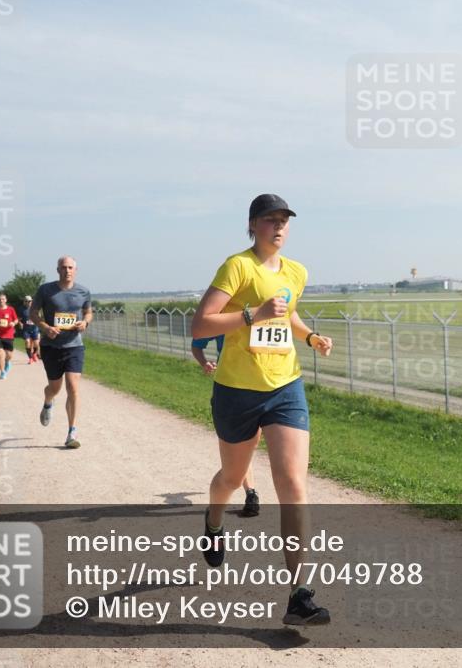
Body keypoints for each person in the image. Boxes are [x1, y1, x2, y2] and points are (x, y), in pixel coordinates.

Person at [192, 193, 334, 626]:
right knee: (232, 479)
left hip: (285, 386)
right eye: (270, 220)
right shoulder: (237, 266)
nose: (279, 227)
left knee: (292, 482)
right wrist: (250, 314)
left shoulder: (297, 271)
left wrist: (310, 337)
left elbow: (286, 315)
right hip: (237, 389)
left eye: (285, 221)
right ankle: (214, 522)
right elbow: (200, 324)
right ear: (252, 225)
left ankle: (299, 593)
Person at [191, 334, 260, 517]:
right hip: (231, 387)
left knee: (249, 443)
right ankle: (251, 494)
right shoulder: (223, 316)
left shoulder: (264, 315)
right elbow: (197, 343)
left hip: (263, 387)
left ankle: (251, 494)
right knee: (242, 445)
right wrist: (204, 363)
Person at [30, 256, 92, 449]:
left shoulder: (83, 291)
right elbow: (33, 312)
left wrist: (85, 322)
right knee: (54, 388)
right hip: (51, 346)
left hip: (74, 345)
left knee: (73, 387)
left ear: (76, 270)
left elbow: (88, 312)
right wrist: (45, 327)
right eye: (64, 267)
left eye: (70, 267)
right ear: (57, 270)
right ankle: (48, 401)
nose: (67, 271)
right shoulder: (46, 290)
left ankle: (72, 432)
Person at [21, 295, 41, 364]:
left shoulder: (36, 309)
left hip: (35, 328)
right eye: (26, 301)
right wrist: (20, 323)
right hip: (26, 329)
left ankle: (34, 354)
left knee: (36, 344)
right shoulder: (22, 310)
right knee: (27, 342)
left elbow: (40, 318)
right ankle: (30, 358)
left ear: (31, 301)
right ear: (24, 302)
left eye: (29, 301)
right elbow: (18, 319)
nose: (28, 302)